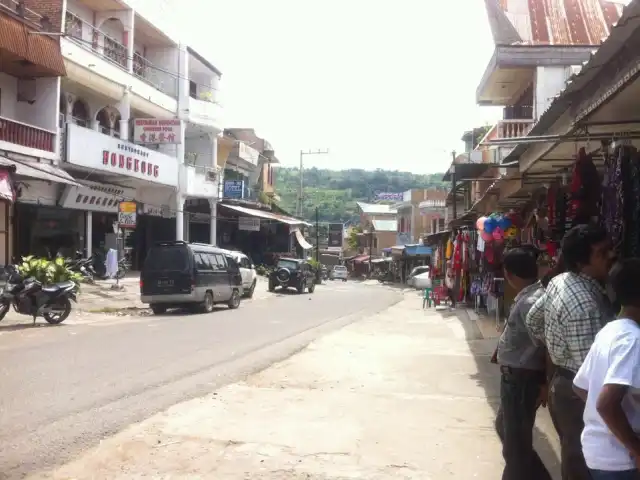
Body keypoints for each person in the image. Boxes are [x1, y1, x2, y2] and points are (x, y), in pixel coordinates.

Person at [526, 224, 615, 480]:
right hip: (579, 394)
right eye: (603, 252)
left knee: (574, 457)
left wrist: (557, 346)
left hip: (563, 384)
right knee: (584, 463)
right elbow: (591, 375)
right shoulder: (584, 305)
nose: (611, 256)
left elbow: (533, 319)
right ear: (581, 262)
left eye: (610, 249)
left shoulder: (561, 281)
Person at [573, 259, 640, 480]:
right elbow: (605, 403)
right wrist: (636, 449)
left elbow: (581, 387)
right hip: (621, 461)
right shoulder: (633, 339)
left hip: (600, 453)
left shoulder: (611, 330)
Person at [494, 247, 552, 480]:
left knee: (515, 449)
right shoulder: (530, 296)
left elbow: (548, 345)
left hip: (522, 379)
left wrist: (545, 383)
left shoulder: (531, 301)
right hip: (516, 377)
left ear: (508, 274)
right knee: (507, 431)